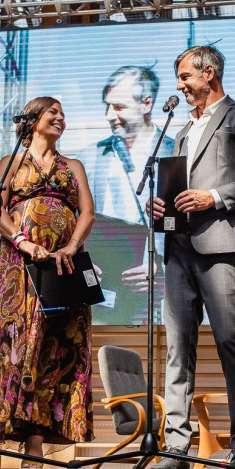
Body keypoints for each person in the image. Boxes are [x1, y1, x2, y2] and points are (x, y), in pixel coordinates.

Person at [0, 96, 96, 468]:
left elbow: (87, 212)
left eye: (63, 113)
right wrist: (24, 242)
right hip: (17, 268)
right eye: (53, 112)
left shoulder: (73, 166)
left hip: (61, 268)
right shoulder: (11, 163)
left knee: (52, 352)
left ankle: (35, 445)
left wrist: (71, 246)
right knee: (5, 347)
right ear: (32, 119)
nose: (60, 117)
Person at [147, 45, 235, 469]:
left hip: (221, 246)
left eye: (185, 77)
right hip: (178, 249)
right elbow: (179, 188)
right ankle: (176, 448)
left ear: (210, 74)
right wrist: (161, 206)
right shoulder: (183, 130)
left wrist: (214, 196)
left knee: (228, 341)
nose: (180, 85)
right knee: (177, 349)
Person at [76, 66, 174, 324]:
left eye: (118, 107)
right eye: (107, 106)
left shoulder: (175, 152)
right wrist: (82, 265)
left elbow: (184, 225)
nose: (109, 115)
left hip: (150, 295)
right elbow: (71, 223)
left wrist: (162, 268)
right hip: (98, 289)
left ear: (146, 104)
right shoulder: (88, 158)